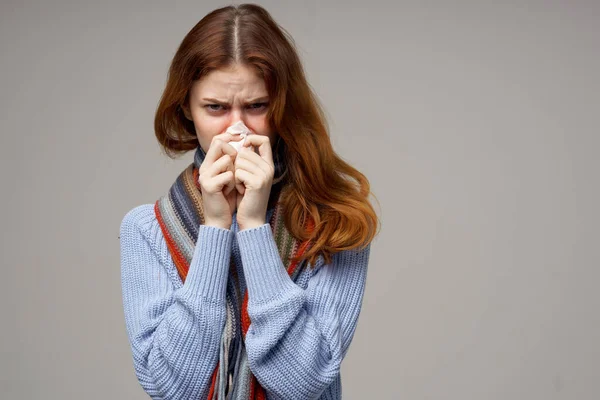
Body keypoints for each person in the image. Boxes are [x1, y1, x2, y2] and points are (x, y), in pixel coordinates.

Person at [119, 4, 380, 399]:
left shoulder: (336, 222)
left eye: (257, 106)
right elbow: (171, 388)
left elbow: (304, 383)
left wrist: (255, 228)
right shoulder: (146, 229)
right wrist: (215, 230)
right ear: (186, 109)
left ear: (283, 108)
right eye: (215, 108)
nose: (237, 129)